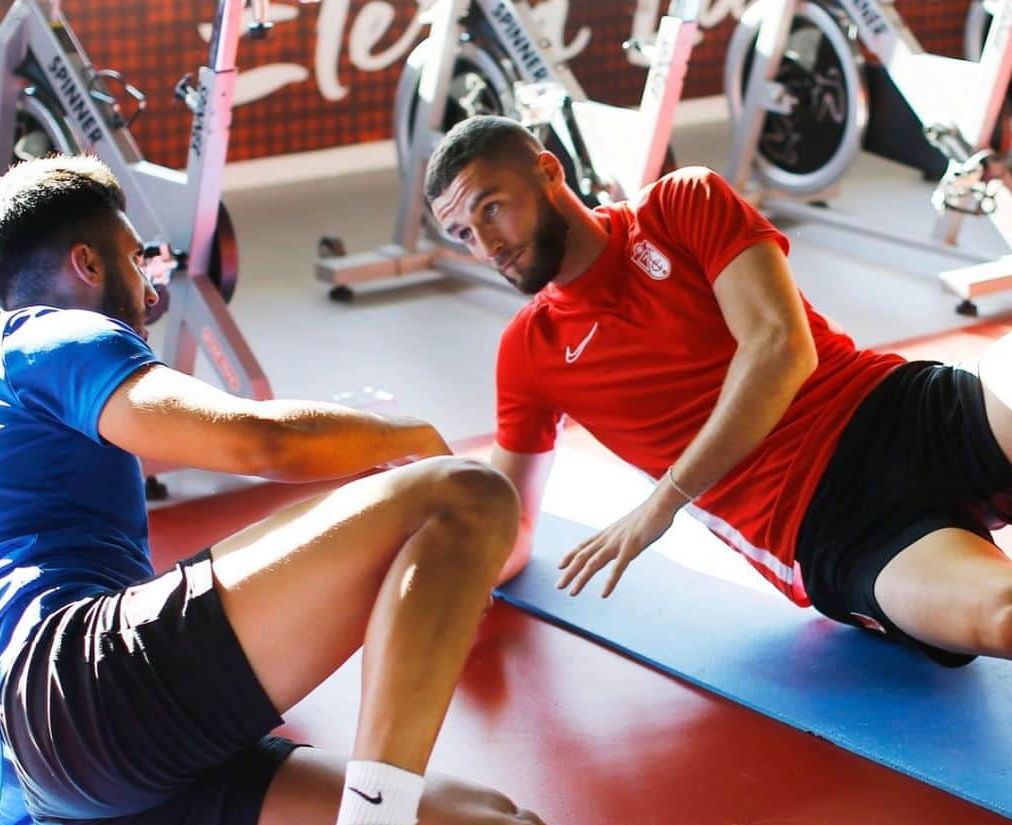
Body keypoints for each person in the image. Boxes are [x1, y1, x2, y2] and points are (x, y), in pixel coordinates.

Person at [0, 155, 1000, 825]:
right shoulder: (48, 331)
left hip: (97, 811)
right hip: (71, 694)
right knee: (462, 493)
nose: (150, 277)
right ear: (87, 263)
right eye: (138, 254)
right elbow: (260, 448)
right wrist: (415, 447)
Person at [425, 115, 1012, 668]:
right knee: (1001, 616)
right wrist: (455, 573)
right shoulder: (530, 351)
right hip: (827, 525)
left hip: (899, 410)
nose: (486, 245)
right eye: (462, 234)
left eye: (492, 209)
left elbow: (780, 347)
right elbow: (513, 520)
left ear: (549, 172)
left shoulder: (682, 203)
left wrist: (663, 502)